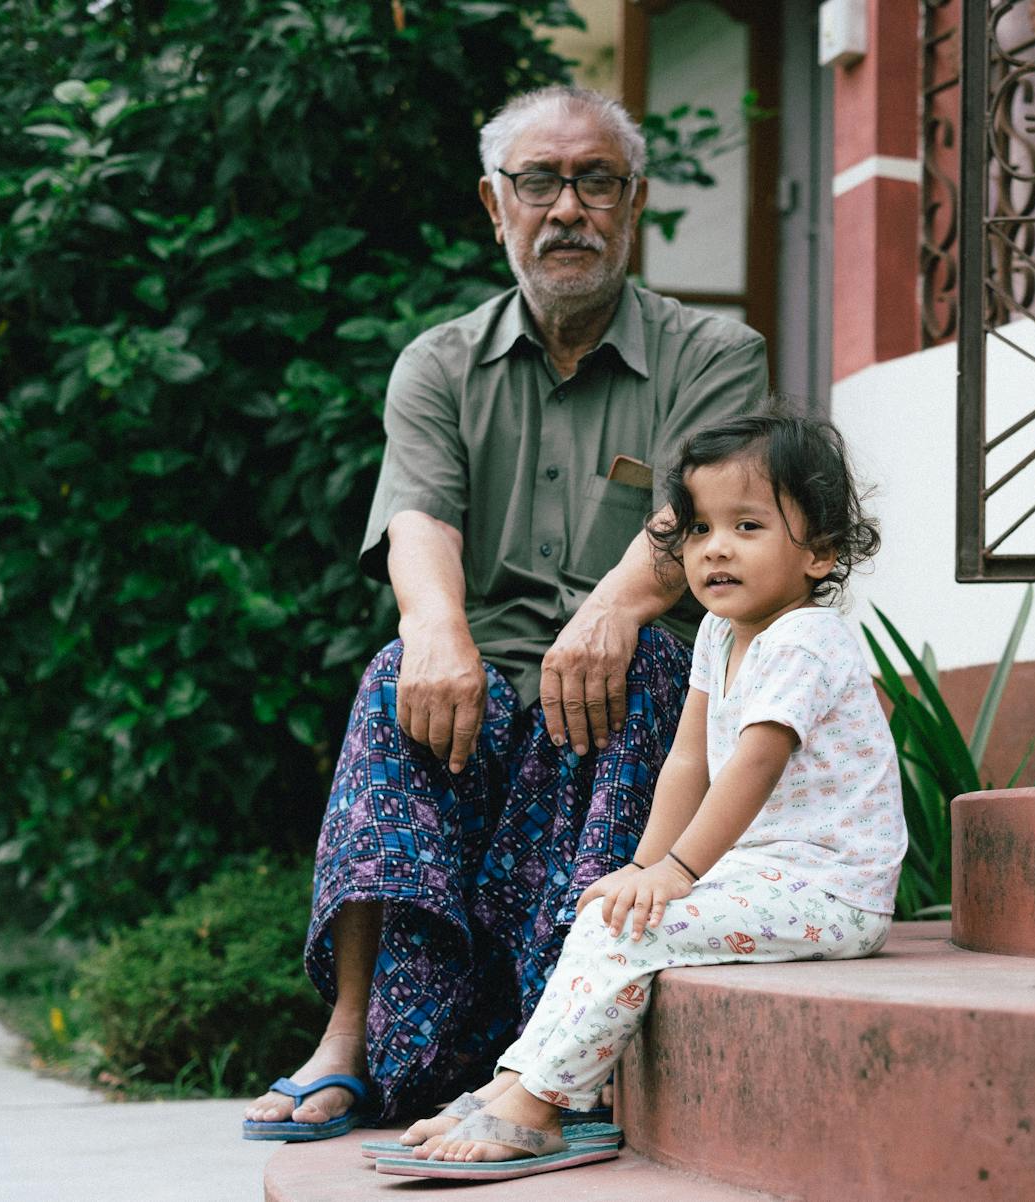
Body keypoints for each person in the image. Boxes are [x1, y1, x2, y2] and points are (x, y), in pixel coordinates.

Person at [242, 85, 769, 1139]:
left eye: (595, 181)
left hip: (635, 666)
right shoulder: (437, 363)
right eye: (539, 181)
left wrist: (617, 602)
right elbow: (419, 520)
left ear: (634, 202)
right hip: (481, 679)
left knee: (649, 673)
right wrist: (436, 631)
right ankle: (346, 1035)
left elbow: (701, 511)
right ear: (496, 204)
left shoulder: (717, 352)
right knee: (397, 673)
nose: (566, 207)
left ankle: (566, 1049)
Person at [367, 412, 904, 1179]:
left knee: (636, 928)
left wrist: (676, 874)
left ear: (819, 552)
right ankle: (519, 1082)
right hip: (760, 874)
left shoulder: (804, 642)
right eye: (698, 529)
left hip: (831, 889)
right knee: (609, 904)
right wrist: (646, 866)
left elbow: (751, 767)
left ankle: (544, 1110)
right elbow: (689, 760)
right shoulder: (720, 634)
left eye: (747, 525)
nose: (714, 547)